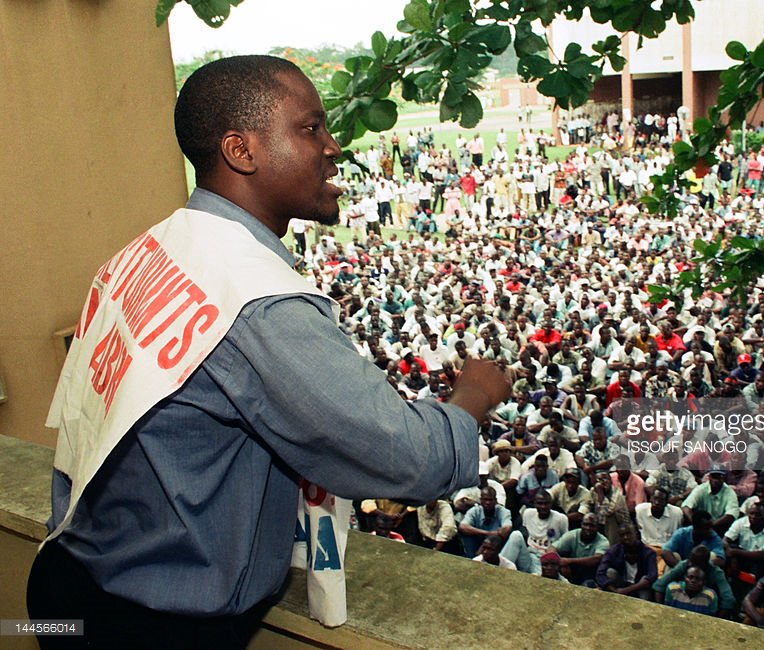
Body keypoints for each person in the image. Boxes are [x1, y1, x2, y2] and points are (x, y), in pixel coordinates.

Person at [27, 55, 511, 649]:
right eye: (311, 129)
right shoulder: (253, 302)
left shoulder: (151, 249)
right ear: (242, 150)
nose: (333, 147)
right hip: (143, 629)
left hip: (59, 594)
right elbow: (413, 458)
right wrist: (473, 395)